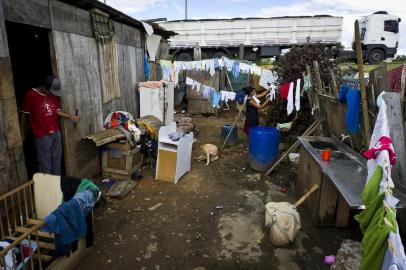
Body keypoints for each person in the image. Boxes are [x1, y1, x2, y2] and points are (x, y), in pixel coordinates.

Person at [21, 76, 79, 175]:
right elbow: (24, 115)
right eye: (51, 92)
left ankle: (56, 185)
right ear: (44, 88)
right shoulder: (31, 95)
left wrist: (70, 116)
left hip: (55, 133)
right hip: (42, 135)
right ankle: (46, 187)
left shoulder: (51, 94)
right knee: (45, 163)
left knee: (57, 160)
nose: (52, 95)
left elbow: (57, 111)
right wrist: (22, 132)